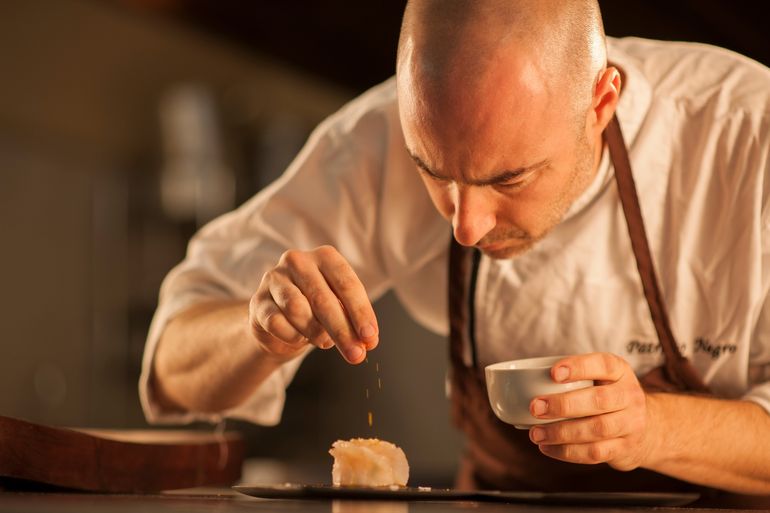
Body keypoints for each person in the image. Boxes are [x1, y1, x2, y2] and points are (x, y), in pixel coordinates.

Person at [140, 0, 770, 504]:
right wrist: (260, 332)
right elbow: (172, 368)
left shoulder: (746, 136)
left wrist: (652, 428)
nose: (466, 226)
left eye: (509, 179)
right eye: (432, 171)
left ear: (600, 104)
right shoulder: (373, 141)